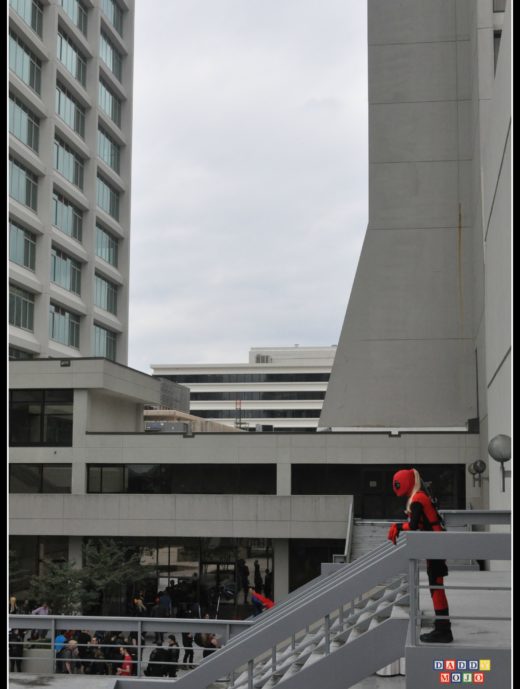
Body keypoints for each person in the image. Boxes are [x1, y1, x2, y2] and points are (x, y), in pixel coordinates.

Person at [387, 467, 453, 643]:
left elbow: (414, 525)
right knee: (436, 587)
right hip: (435, 547)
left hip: (435, 548)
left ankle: (444, 630)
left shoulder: (417, 499)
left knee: (436, 587)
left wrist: (398, 527)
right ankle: (442, 626)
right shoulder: (420, 496)